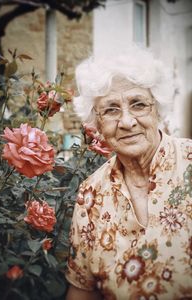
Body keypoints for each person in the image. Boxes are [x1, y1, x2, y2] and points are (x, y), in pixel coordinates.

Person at [65, 46, 192, 300]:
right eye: (111, 109)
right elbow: (82, 291)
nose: (126, 121)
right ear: (97, 122)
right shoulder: (91, 194)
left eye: (138, 104)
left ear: (157, 108)